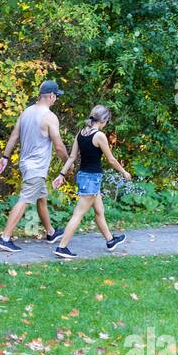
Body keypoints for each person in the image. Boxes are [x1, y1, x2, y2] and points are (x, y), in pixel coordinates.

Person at [0, 80, 70, 252]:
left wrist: (5, 156)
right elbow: (58, 146)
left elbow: (14, 135)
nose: (56, 99)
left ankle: (51, 232)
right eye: (56, 96)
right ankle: (5, 238)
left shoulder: (26, 112)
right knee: (25, 200)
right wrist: (68, 162)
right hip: (36, 167)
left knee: (41, 198)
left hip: (26, 165)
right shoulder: (50, 117)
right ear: (51, 96)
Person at [50, 104, 132, 259]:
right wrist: (123, 172)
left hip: (84, 177)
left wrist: (61, 174)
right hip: (92, 179)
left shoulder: (81, 133)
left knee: (99, 211)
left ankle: (110, 240)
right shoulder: (99, 136)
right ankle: (61, 247)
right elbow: (111, 159)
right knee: (78, 214)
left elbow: (72, 157)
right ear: (103, 120)